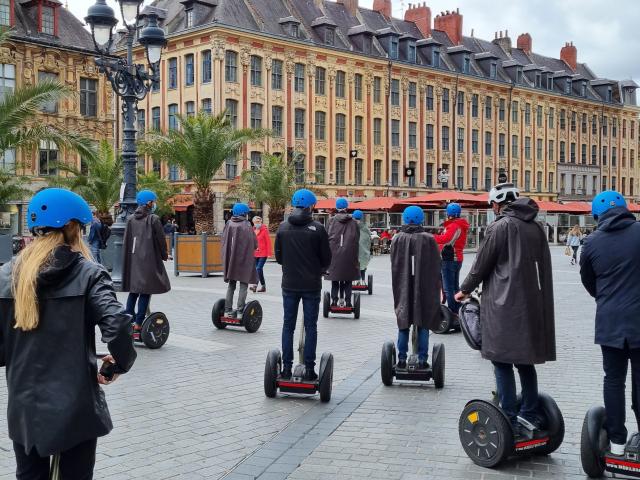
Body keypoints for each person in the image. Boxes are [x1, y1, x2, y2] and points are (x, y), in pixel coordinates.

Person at [0, 188, 136, 480]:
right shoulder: (88, 272)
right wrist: (118, 363)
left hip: (25, 405)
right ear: (73, 227)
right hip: (76, 404)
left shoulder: (7, 274)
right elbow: (117, 323)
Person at [455, 183, 556, 437]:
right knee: (525, 361)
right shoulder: (536, 226)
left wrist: (464, 290)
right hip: (532, 303)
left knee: (500, 360)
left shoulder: (500, 226)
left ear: (498, 204)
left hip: (504, 303)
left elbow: (481, 265)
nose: (492, 209)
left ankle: (509, 416)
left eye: (492, 205)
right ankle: (531, 413)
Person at [580, 191, 640, 456]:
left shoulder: (591, 242)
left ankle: (616, 442)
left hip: (610, 322)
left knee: (614, 381)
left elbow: (588, 281)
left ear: (597, 216)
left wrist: (606, 299)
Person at [275, 189, 331, 380]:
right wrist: (321, 268)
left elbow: (279, 257)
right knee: (311, 326)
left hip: (289, 284)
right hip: (311, 285)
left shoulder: (283, 227)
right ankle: (309, 369)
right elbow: (327, 258)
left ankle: (286, 368)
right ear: (311, 206)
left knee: (287, 326)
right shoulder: (318, 228)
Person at [391, 206, 442, 369]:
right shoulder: (429, 239)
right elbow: (436, 265)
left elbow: (394, 264)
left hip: (403, 286)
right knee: (423, 322)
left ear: (404, 219)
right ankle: (422, 360)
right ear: (422, 219)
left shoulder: (397, 239)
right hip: (424, 288)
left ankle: (401, 358)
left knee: (404, 321)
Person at [122, 190, 171, 340]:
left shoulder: (130, 219)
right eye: (153, 201)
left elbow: (126, 241)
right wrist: (164, 255)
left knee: (134, 291)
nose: (154, 203)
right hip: (149, 260)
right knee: (145, 291)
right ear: (149, 203)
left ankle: (129, 320)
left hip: (133, 260)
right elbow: (161, 240)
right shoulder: (153, 219)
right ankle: (138, 323)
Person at [222, 203, 257, 317]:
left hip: (231, 260)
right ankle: (240, 311)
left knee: (231, 285)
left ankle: (227, 311)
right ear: (244, 213)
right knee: (243, 284)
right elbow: (254, 243)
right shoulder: (246, 225)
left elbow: (224, 241)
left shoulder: (228, 224)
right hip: (243, 259)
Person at [434, 203, 470, 314]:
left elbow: (446, 239)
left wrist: (431, 237)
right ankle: (458, 309)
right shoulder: (459, 224)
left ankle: (452, 312)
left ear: (449, 214)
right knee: (454, 286)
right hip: (456, 258)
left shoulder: (454, 225)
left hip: (450, 259)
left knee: (448, 288)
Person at [326, 198, 360, 307]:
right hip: (349, 254)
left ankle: (334, 300)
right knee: (348, 279)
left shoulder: (331, 221)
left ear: (336, 207)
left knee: (335, 279)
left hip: (334, 254)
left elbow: (326, 236)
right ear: (347, 207)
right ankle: (348, 301)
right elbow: (357, 238)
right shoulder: (354, 221)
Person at [251, 215, 272, 293]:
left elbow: (268, 242)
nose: (257, 223)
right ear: (253, 222)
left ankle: (255, 286)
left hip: (263, 253)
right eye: (256, 222)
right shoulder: (252, 230)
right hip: (255, 253)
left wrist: (269, 253)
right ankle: (263, 286)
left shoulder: (264, 230)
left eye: (259, 222)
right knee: (259, 270)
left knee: (258, 268)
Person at [352, 210, 371, 285]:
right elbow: (368, 241)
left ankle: (355, 280)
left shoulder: (351, 227)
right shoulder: (365, 228)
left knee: (354, 266)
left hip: (353, 252)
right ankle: (362, 280)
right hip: (364, 252)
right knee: (363, 266)